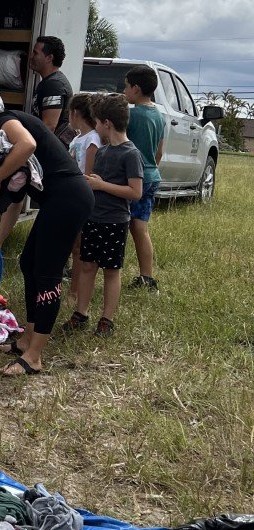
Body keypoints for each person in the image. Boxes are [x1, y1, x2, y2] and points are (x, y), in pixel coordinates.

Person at [0, 87, 94, 377]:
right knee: (28, 263)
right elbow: (17, 200)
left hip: (69, 198)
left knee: (47, 273)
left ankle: (34, 356)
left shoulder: (3, 122)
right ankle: (26, 340)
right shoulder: (9, 147)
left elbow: (29, 145)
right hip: (61, 200)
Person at [64, 94, 143, 337]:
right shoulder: (103, 151)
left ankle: (106, 319)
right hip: (94, 218)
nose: (96, 127)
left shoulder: (131, 154)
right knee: (87, 266)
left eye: (97, 122)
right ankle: (81, 313)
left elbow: (135, 192)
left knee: (111, 270)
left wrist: (102, 186)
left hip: (115, 222)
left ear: (106, 123)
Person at [124, 67, 165, 293]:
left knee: (118, 225)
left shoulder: (132, 115)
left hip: (132, 179)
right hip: (151, 175)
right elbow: (159, 151)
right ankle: (146, 277)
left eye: (125, 86)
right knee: (140, 228)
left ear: (136, 89)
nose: (123, 91)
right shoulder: (158, 115)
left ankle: (109, 269)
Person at [66, 93, 101, 305]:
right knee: (72, 246)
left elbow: (88, 173)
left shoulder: (92, 139)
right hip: (71, 195)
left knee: (79, 248)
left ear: (75, 113)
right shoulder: (78, 138)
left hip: (81, 198)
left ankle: (74, 291)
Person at [29, 36, 73, 142]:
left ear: (49, 58)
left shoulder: (54, 85)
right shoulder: (49, 82)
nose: (31, 56)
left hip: (51, 150)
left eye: (35, 53)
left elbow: (49, 126)